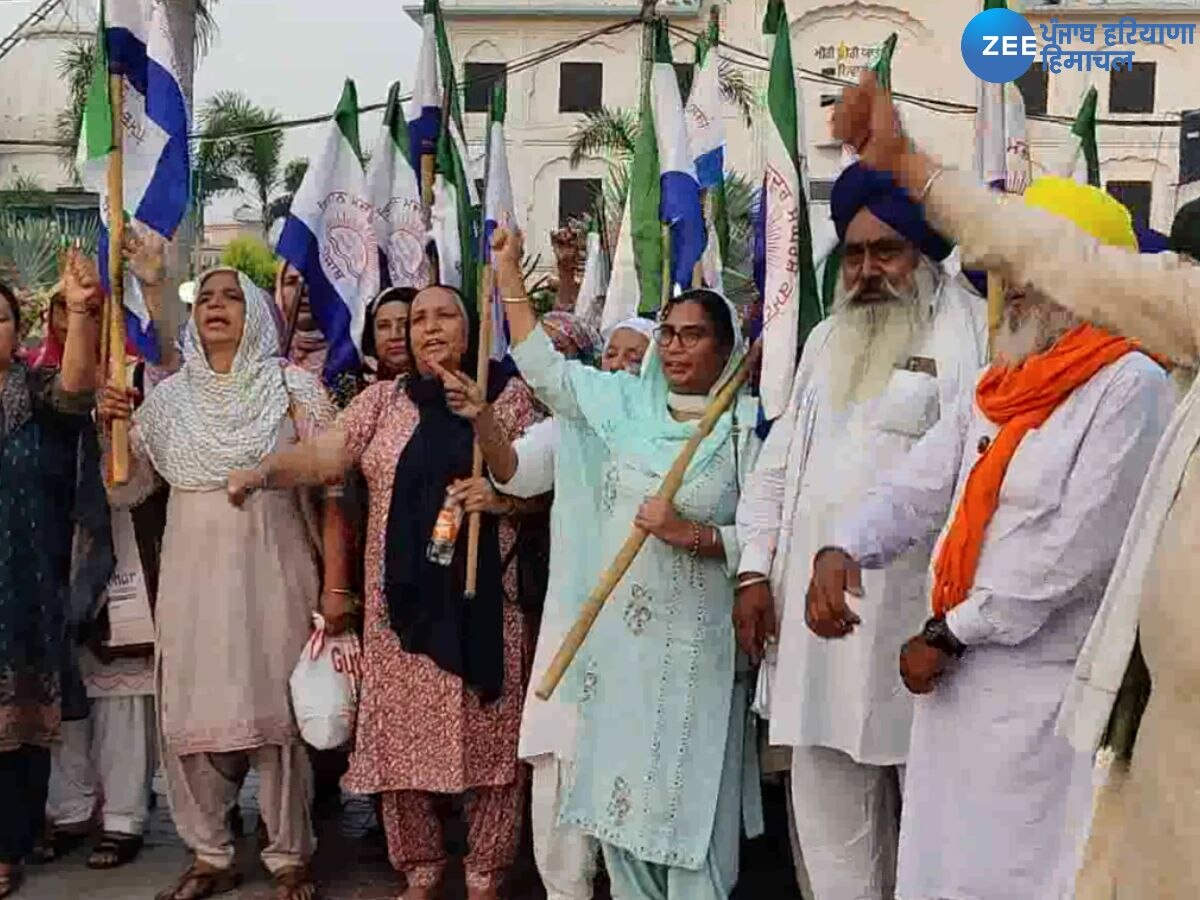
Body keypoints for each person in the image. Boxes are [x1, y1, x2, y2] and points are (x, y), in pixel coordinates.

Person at [834, 71, 1200, 899]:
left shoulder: (1128, 382)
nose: (1015, 290)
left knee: (1020, 877)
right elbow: (928, 483)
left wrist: (955, 631)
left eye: (1030, 275)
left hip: (1038, 697)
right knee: (941, 873)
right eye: (1008, 275)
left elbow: (1071, 552)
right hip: (956, 688)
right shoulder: (1001, 381)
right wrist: (844, 544)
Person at [228, 284, 544, 900]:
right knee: (398, 742)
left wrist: (504, 500)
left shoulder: (512, 400)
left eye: (444, 315)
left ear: (474, 327)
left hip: (485, 605)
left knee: (491, 745)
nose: (428, 328)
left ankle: (485, 873)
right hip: (400, 610)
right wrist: (265, 471)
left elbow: (547, 484)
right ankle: (420, 870)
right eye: (418, 318)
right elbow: (325, 456)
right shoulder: (383, 401)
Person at [734, 162, 986, 900]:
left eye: (887, 252)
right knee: (827, 820)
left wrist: (955, 626)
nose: (869, 270)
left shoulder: (971, 338)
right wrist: (754, 570)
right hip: (816, 632)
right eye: (854, 254)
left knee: (935, 833)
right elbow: (779, 468)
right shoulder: (823, 341)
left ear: (925, 257)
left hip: (920, 629)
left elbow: (975, 482)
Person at [491, 223, 763, 900]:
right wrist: (507, 277)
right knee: (620, 814)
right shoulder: (620, 406)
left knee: (688, 815)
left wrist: (693, 534)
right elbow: (544, 367)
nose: (674, 346)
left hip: (699, 658)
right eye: (668, 332)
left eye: (693, 334)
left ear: (725, 346)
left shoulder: (744, 430)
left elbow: (766, 535)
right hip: (617, 656)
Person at [99, 267, 335, 900]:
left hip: (276, 574)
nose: (217, 306)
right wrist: (114, 427)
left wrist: (339, 583)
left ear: (257, 313)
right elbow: (125, 488)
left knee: (279, 715)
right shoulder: (168, 402)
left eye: (233, 297)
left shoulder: (295, 392)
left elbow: (335, 483)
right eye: (205, 297)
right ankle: (210, 853)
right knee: (195, 712)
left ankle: (290, 856)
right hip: (192, 582)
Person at [438, 312, 646, 900]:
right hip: (572, 633)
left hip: (646, 640)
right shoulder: (572, 426)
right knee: (561, 761)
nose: (623, 368)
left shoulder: (674, 429)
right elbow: (514, 472)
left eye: (638, 358)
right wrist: (482, 416)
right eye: (614, 356)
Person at [45, 233, 170, 872]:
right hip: (52, 556)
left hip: (120, 555)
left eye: (92, 319)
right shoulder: (38, 393)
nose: (79, 332)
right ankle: (67, 811)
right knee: (64, 689)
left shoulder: (135, 390)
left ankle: (122, 816)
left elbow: (137, 487)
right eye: (69, 319)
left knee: (120, 693)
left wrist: (118, 430)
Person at [0, 253, 101, 899]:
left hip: (23, 587)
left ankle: (8, 848)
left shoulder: (36, 396)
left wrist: (84, 310)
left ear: (19, 329)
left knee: (19, 730)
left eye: (0, 318)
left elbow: (77, 388)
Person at [275, 262, 359, 407]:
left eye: (314, 280)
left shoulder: (353, 357)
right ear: (279, 291)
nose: (304, 290)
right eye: (291, 282)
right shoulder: (267, 358)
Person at [361, 287, 416, 383]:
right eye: (384, 326)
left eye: (405, 324)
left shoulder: (446, 382)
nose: (394, 336)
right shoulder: (350, 387)